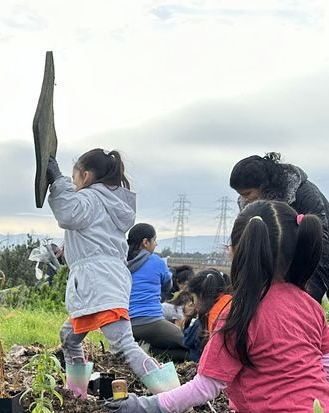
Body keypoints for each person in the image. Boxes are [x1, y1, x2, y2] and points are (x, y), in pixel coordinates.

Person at [106, 202, 329, 413]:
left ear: (240, 251)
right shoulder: (309, 304)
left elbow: (205, 387)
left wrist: (143, 406)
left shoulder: (240, 311)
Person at [44, 149, 167, 396]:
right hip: (101, 282)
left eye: (74, 177)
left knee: (123, 345)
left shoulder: (90, 198)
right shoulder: (109, 203)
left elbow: (68, 212)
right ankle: (77, 394)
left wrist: (58, 181)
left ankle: (171, 395)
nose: (73, 182)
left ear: (86, 176)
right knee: (69, 336)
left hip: (98, 284)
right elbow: (94, 237)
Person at [230, 152, 329, 307]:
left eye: (247, 193)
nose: (244, 199)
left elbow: (320, 235)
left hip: (315, 259)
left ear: (263, 185)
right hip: (279, 264)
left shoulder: (302, 192)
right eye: (240, 195)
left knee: (302, 306)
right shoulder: (247, 202)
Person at [126, 223, 187, 361]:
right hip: (151, 322)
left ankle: (144, 350)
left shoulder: (121, 262)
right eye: (154, 240)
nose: (156, 244)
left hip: (126, 325)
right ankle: (149, 350)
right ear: (145, 242)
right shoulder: (156, 261)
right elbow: (168, 286)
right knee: (191, 347)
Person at [181, 269, 230, 363]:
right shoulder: (228, 304)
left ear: (200, 296)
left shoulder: (214, 317)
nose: (193, 303)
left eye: (193, 297)